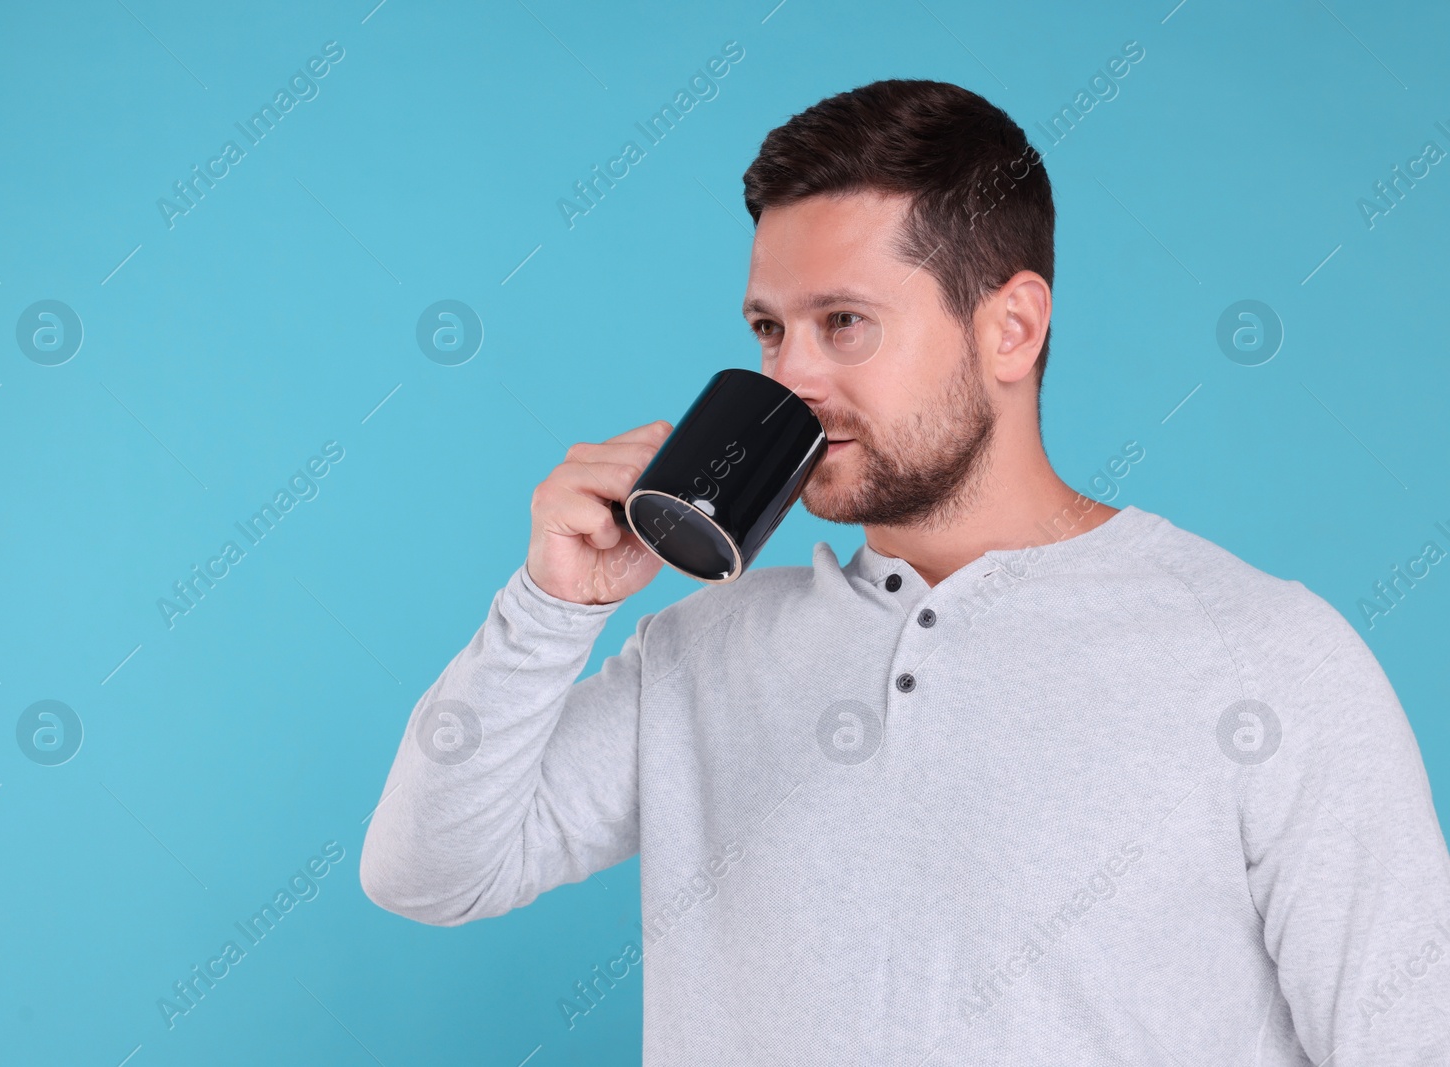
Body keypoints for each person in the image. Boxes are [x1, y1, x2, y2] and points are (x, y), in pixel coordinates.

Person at [360, 79, 1450, 1064]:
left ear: (1011, 329)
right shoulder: (703, 651)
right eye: (767, 328)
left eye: (844, 323)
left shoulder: (1264, 658)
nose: (790, 377)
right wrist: (552, 606)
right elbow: (429, 871)